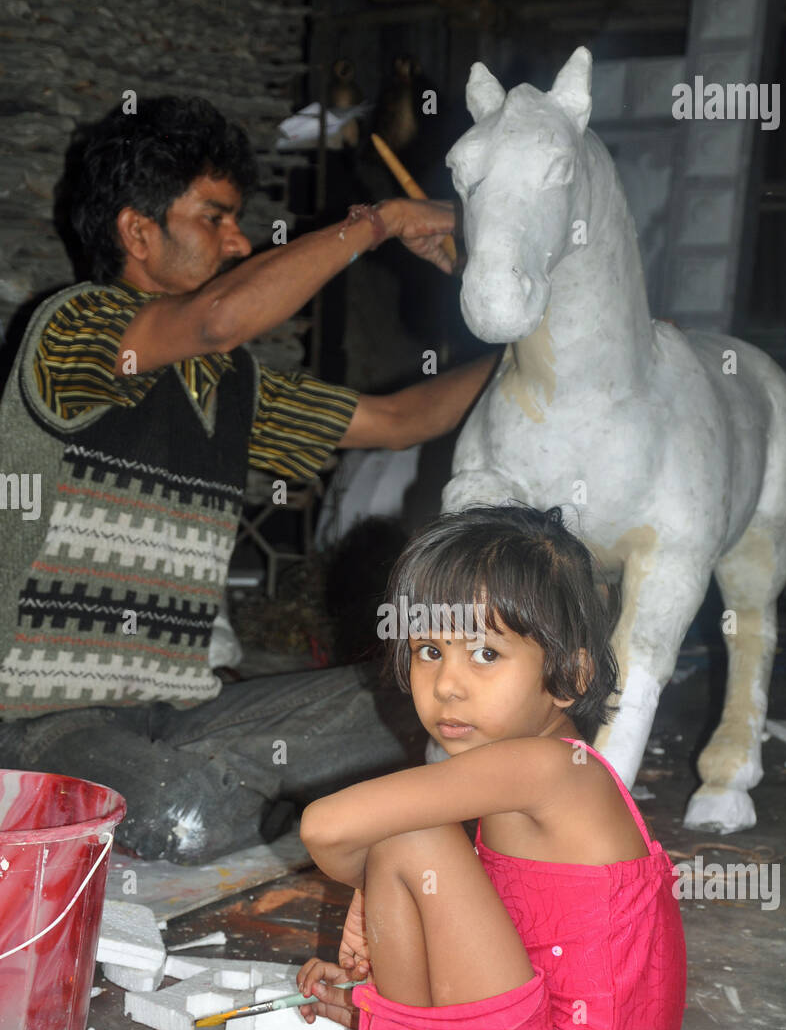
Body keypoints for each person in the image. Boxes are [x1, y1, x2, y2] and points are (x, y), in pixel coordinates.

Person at [0, 96, 499, 863]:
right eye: (215, 218)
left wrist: (532, 343)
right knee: (185, 812)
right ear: (137, 231)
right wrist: (381, 223)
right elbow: (216, 318)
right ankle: (291, 814)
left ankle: (278, 811)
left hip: (176, 713)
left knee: (428, 706)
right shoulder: (70, 330)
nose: (238, 241)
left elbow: (401, 419)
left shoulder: (230, 385)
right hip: (37, 725)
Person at [231, 504, 687, 1030]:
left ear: (567, 676)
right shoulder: (538, 766)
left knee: (408, 838)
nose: (446, 684)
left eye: (484, 654)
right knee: (409, 844)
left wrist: (376, 885)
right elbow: (510, 949)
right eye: (427, 651)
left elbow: (325, 827)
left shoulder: (545, 769)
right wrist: (376, 949)